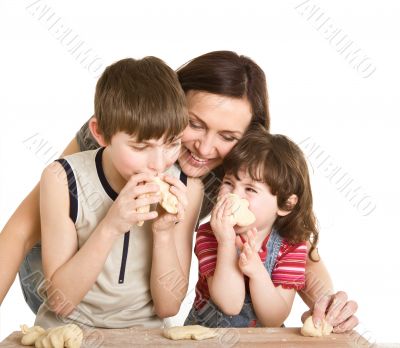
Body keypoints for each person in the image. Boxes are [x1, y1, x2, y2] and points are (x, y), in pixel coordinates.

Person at [0, 51, 358, 332]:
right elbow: (19, 232)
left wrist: (326, 300)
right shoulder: (126, 131)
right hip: (60, 280)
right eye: (193, 125)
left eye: (228, 137)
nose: (204, 148)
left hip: (139, 306)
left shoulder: (235, 173)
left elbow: (285, 233)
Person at [33, 56, 203, 328]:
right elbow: (61, 302)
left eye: (172, 143)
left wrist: (163, 233)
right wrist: (111, 225)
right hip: (66, 332)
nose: (159, 164)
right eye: (140, 147)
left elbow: (168, 306)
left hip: (145, 336)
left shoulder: (187, 187)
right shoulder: (62, 179)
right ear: (100, 133)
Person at [185, 125, 316, 328]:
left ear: (286, 204)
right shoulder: (211, 234)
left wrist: (256, 272)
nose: (234, 195)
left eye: (250, 189)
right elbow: (230, 305)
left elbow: (273, 319)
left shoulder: (291, 247)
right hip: (209, 337)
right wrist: (226, 243)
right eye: (229, 182)